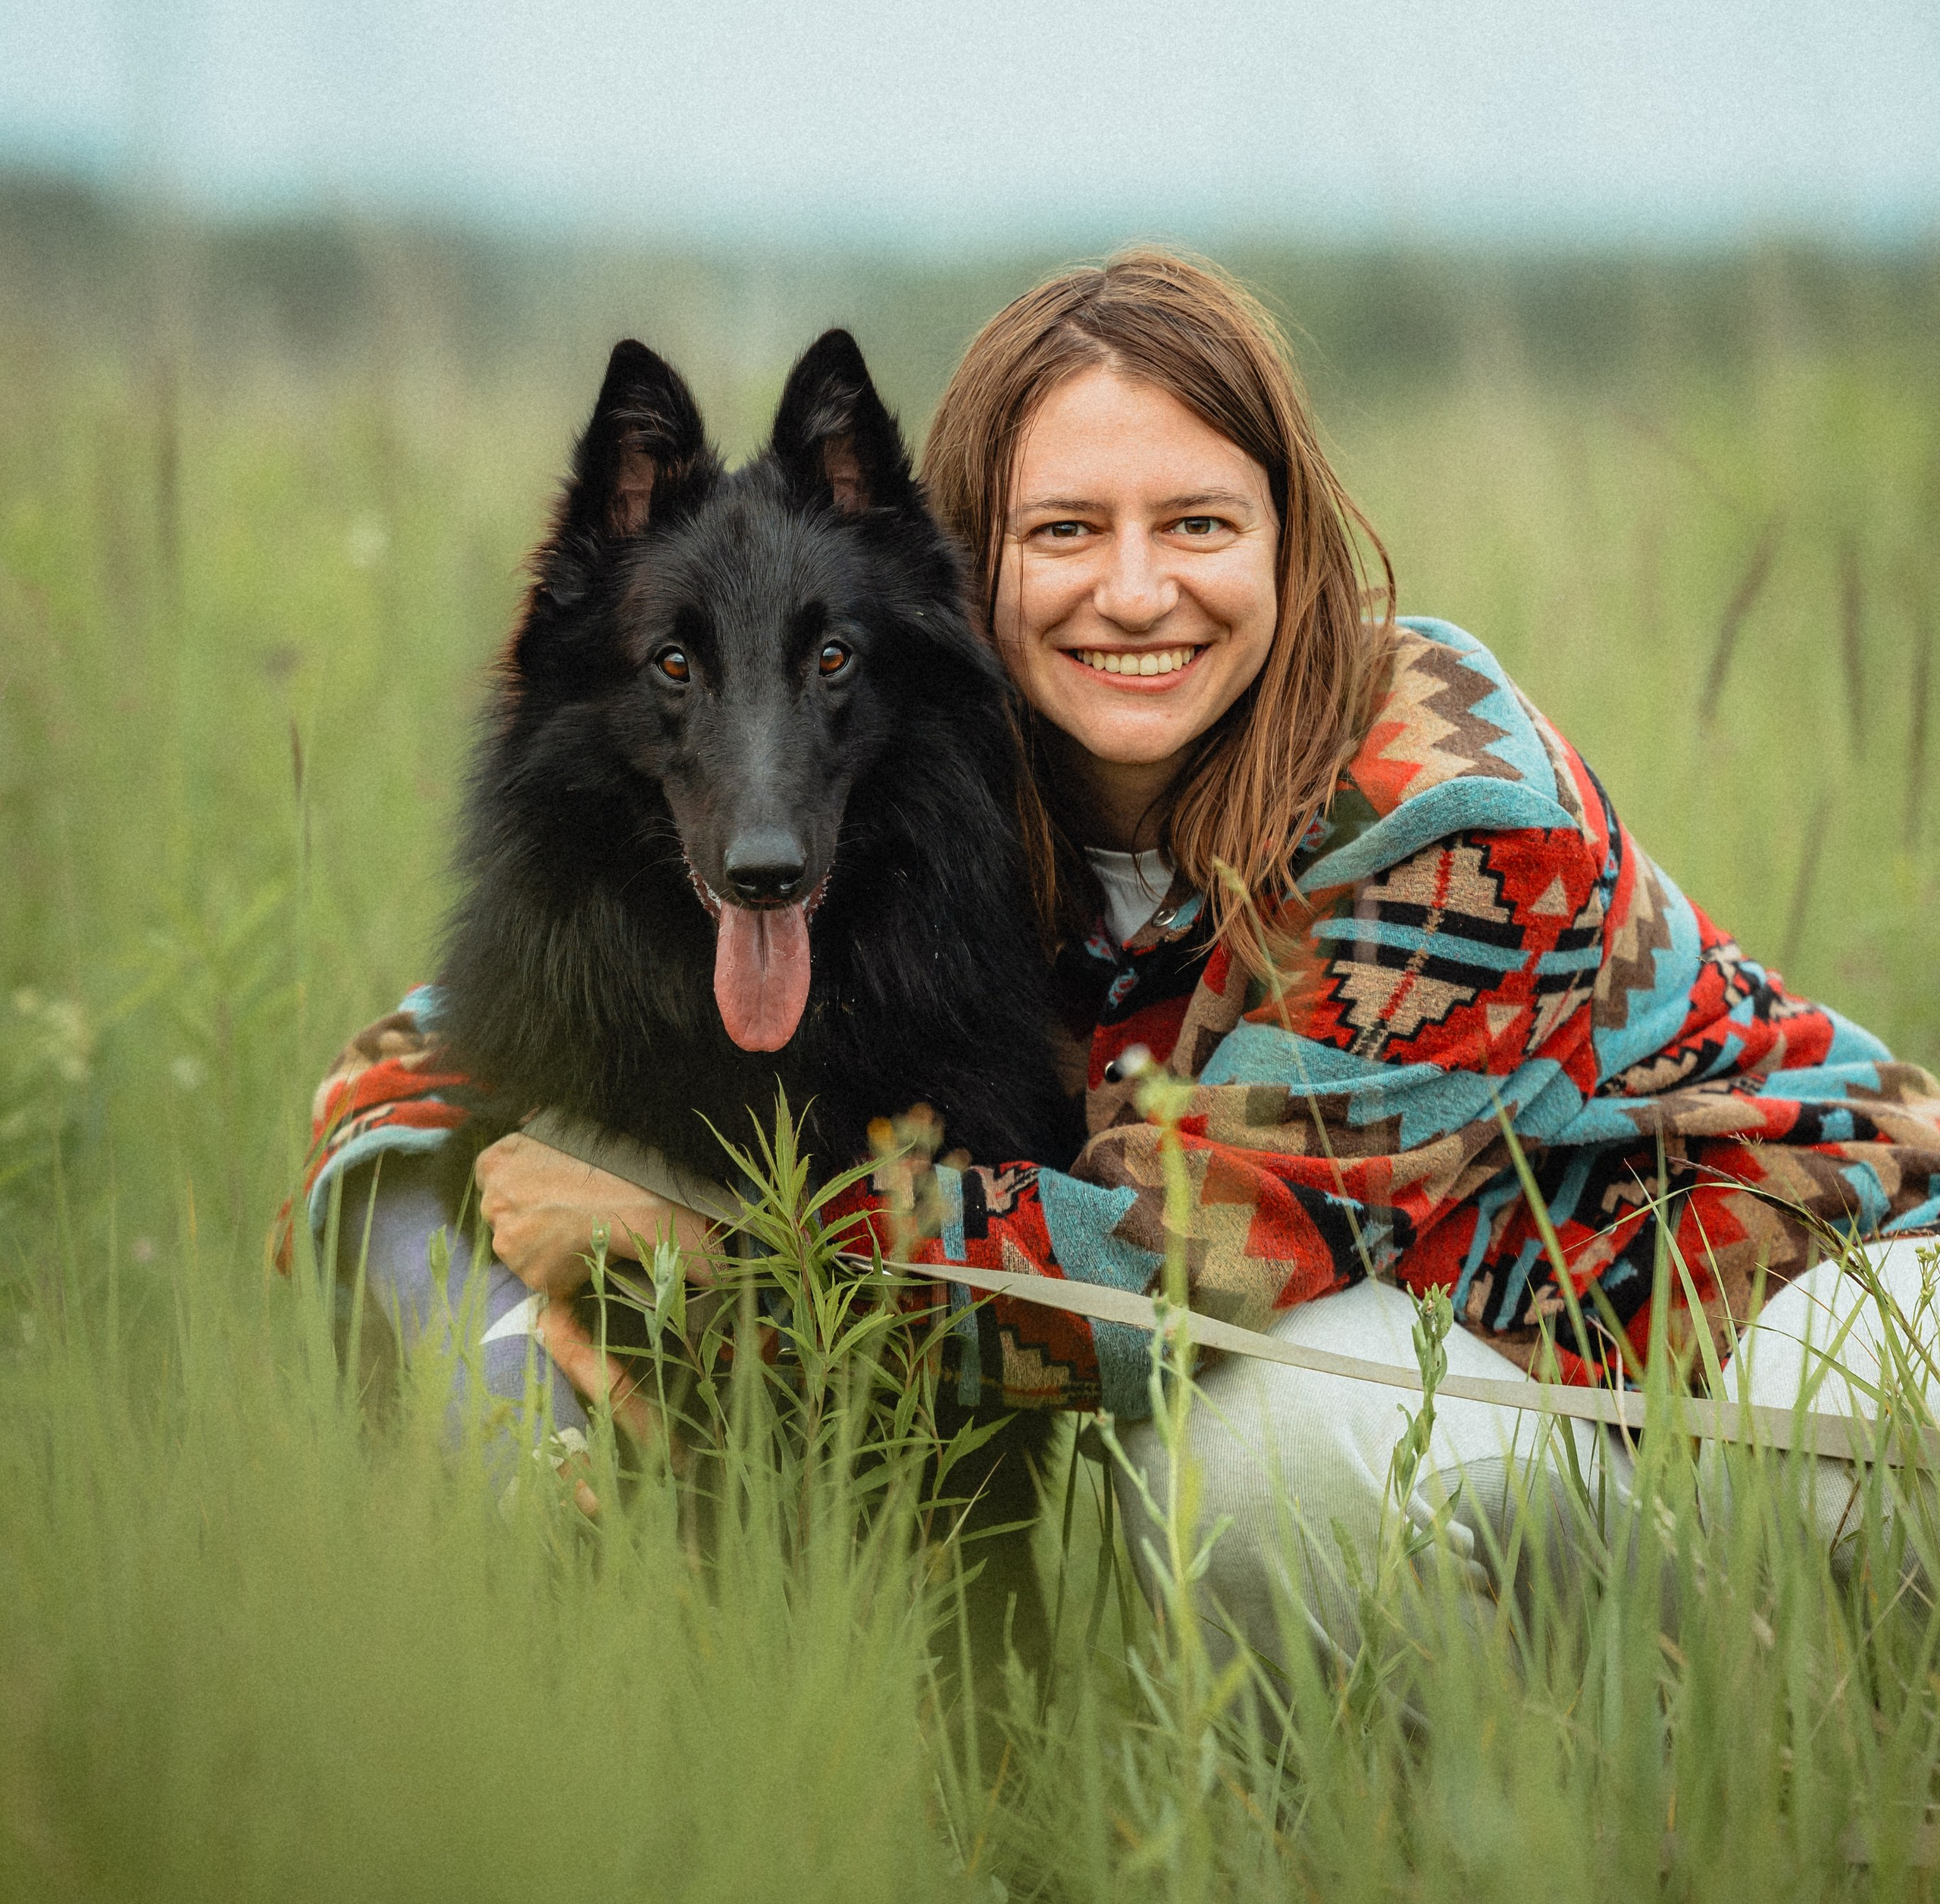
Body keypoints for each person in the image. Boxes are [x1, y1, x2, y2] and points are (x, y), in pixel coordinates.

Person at [290, 249, 1940, 1664]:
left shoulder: (1445, 806)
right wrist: (457, 1305)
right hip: (1497, 1365)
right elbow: (450, 1050)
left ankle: (1736, 1794)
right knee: (1284, 1426)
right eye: (1067, 529)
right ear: (971, 564)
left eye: (1198, 522)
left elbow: (1175, 1276)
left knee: (1269, 1447)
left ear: (1289, 537)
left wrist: (706, 1262)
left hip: (1803, 1302)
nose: (1135, 593)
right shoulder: (938, 771)